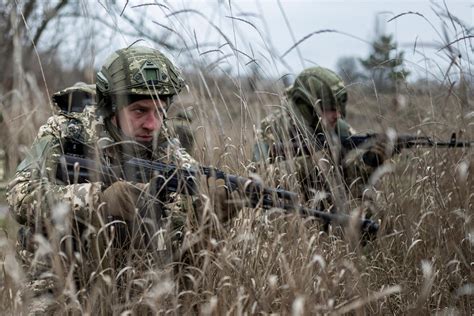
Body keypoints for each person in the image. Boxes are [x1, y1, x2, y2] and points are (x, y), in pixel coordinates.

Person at [7, 46, 238, 314]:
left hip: (131, 278)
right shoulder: (68, 130)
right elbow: (19, 196)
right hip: (58, 274)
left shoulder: (167, 148)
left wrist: (213, 211)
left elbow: (181, 243)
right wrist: (97, 199)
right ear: (112, 107)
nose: (152, 124)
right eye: (139, 111)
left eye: (160, 111)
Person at [253, 66, 393, 216]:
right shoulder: (274, 125)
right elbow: (259, 173)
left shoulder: (341, 129)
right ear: (308, 105)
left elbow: (354, 177)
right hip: (286, 213)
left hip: (331, 211)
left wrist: (370, 160)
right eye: (330, 108)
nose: (337, 115)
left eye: (339, 108)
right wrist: (317, 162)